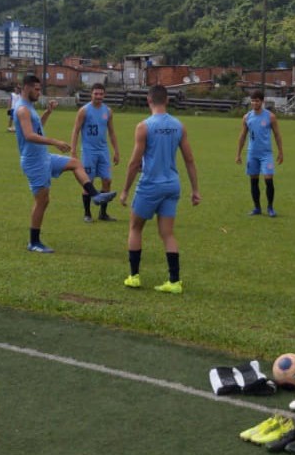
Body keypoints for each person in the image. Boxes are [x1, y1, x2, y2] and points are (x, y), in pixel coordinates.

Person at [13, 73, 116, 253]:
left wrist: (47, 113)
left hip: (44, 157)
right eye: (37, 89)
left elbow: (38, 128)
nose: (39, 93)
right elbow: (29, 135)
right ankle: (34, 242)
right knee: (42, 201)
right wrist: (55, 142)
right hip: (34, 161)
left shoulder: (30, 107)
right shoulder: (22, 109)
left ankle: (95, 195)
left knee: (75, 163)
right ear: (27, 88)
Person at [119, 84, 200, 294]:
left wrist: (125, 190)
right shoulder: (179, 126)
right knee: (167, 233)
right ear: (167, 101)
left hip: (150, 185)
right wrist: (195, 190)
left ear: (148, 100)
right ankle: (174, 281)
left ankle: (134, 276)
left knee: (135, 228)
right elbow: (190, 159)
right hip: (172, 185)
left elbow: (134, 162)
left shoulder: (144, 126)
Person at [71, 84, 120, 223]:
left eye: (101, 94)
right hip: (88, 151)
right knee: (88, 182)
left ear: (104, 95)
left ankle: (103, 213)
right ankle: (87, 214)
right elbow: (75, 130)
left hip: (103, 151)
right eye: (96, 94)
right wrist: (73, 151)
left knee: (107, 180)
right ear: (91, 94)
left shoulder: (108, 111)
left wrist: (116, 151)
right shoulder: (84, 111)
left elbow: (111, 132)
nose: (98, 96)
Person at [236, 90, 284, 217]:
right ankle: (257, 208)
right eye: (252, 100)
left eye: (257, 100)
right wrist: (238, 154)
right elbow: (242, 136)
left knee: (268, 179)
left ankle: (270, 208)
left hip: (266, 154)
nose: (254, 103)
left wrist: (280, 152)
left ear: (262, 101)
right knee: (254, 181)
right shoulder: (247, 117)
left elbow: (277, 135)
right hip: (252, 154)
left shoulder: (270, 116)